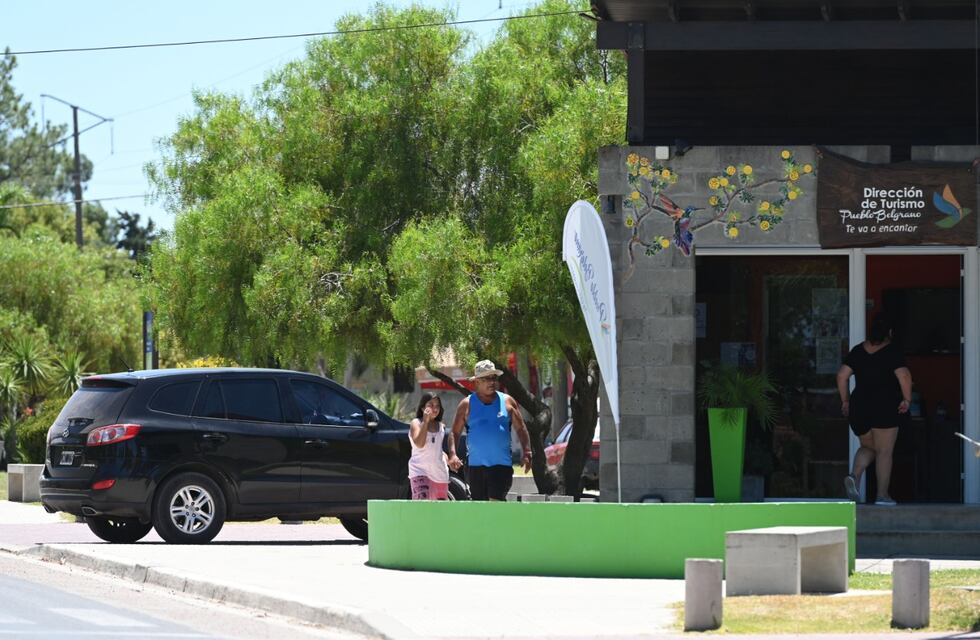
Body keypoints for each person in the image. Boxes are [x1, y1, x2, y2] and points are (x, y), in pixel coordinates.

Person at [836, 313, 913, 506]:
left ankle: (854, 476)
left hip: (859, 407)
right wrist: (907, 399)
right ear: (890, 332)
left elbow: (841, 376)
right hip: (885, 406)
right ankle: (882, 495)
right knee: (885, 451)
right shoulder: (892, 351)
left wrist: (845, 401)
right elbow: (904, 375)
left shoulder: (858, 351)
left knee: (869, 447)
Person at [447, 360, 532, 501]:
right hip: (475, 467)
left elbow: (521, 429)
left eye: (494, 378)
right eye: (486, 378)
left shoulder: (507, 401)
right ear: (477, 382)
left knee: (495, 503)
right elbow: (454, 432)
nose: (492, 382)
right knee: (480, 507)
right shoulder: (466, 404)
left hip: (501, 465)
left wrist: (527, 451)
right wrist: (453, 454)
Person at [408, 393, 450, 500]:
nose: (434, 408)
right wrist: (425, 422)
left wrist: (449, 458)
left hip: (440, 475)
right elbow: (419, 444)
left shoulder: (441, 426)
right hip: (419, 471)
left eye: (437, 406)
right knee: (422, 509)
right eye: (431, 405)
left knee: (439, 512)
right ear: (423, 407)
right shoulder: (416, 423)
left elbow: (437, 448)